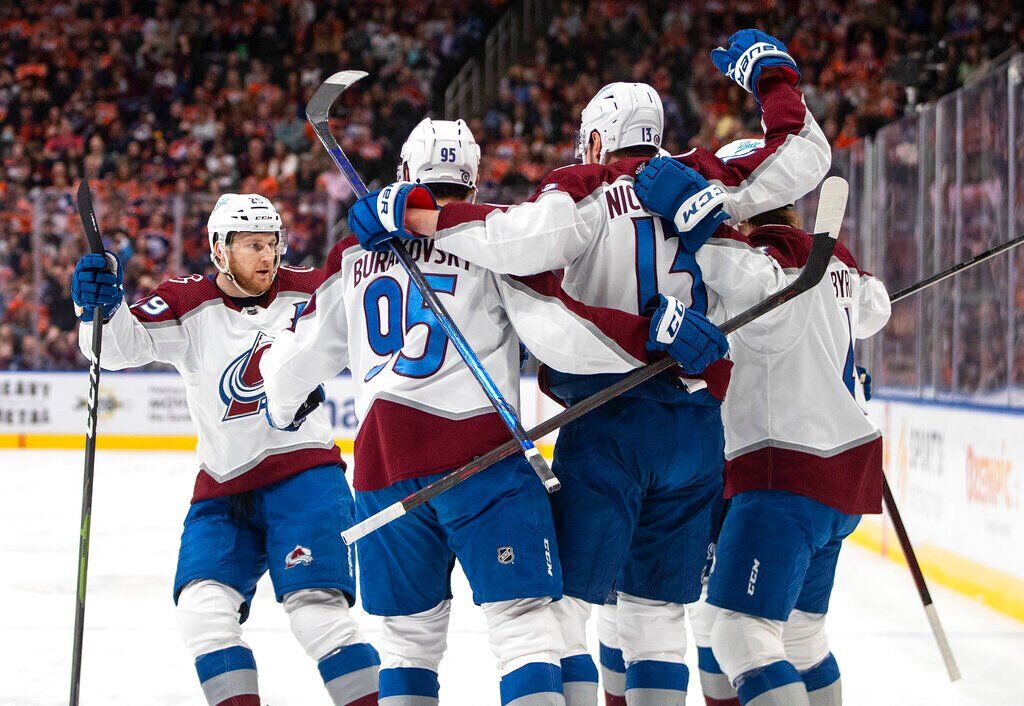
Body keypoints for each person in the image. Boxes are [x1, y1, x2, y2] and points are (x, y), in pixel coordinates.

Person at [348, 28, 830, 706]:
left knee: (562, 617)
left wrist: (421, 215)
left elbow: (516, 245)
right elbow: (805, 158)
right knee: (657, 619)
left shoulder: (584, 185)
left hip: (609, 424)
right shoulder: (707, 178)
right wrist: (775, 79)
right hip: (696, 429)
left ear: (598, 141)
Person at [261, 117, 726, 706]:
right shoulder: (493, 242)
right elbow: (562, 333)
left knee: (407, 643)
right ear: (474, 185)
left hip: (384, 466)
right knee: (526, 629)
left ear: (405, 173)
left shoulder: (353, 253)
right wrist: (648, 337)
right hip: (486, 459)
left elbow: (293, 361)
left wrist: (283, 406)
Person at [71, 194, 380, 706]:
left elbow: (372, 319)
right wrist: (98, 307)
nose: (268, 256)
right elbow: (118, 347)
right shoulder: (188, 302)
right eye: (253, 245)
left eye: (273, 243)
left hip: (305, 479)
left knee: (317, 615)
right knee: (202, 613)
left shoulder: (310, 290)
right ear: (219, 250)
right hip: (222, 487)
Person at [636, 146, 891, 705]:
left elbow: (743, 280)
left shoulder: (755, 258)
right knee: (799, 637)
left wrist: (691, 215)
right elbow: (876, 309)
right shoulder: (839, 262)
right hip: (844, 475)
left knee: (737, 633)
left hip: (783, 473)